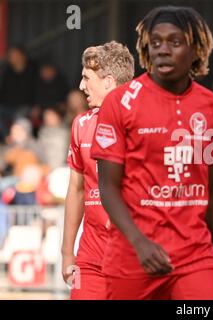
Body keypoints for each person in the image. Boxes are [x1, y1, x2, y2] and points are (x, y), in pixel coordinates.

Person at [90, 6, 213, 300]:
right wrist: (139, 243)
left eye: (175, 42)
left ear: (195, 51)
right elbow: (107, 186)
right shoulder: (120, 103)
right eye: (156, 43)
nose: (163, 50)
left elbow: (210, 190)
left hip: (195, 256)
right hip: (134, 256)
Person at [61, 41, 135, 299]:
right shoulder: (81, 124)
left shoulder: (146, 125)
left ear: (108, 81)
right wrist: (67, 251)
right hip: (90, 258)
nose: (81, 86)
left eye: (86, 78)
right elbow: (76, 189)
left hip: (134, 256)